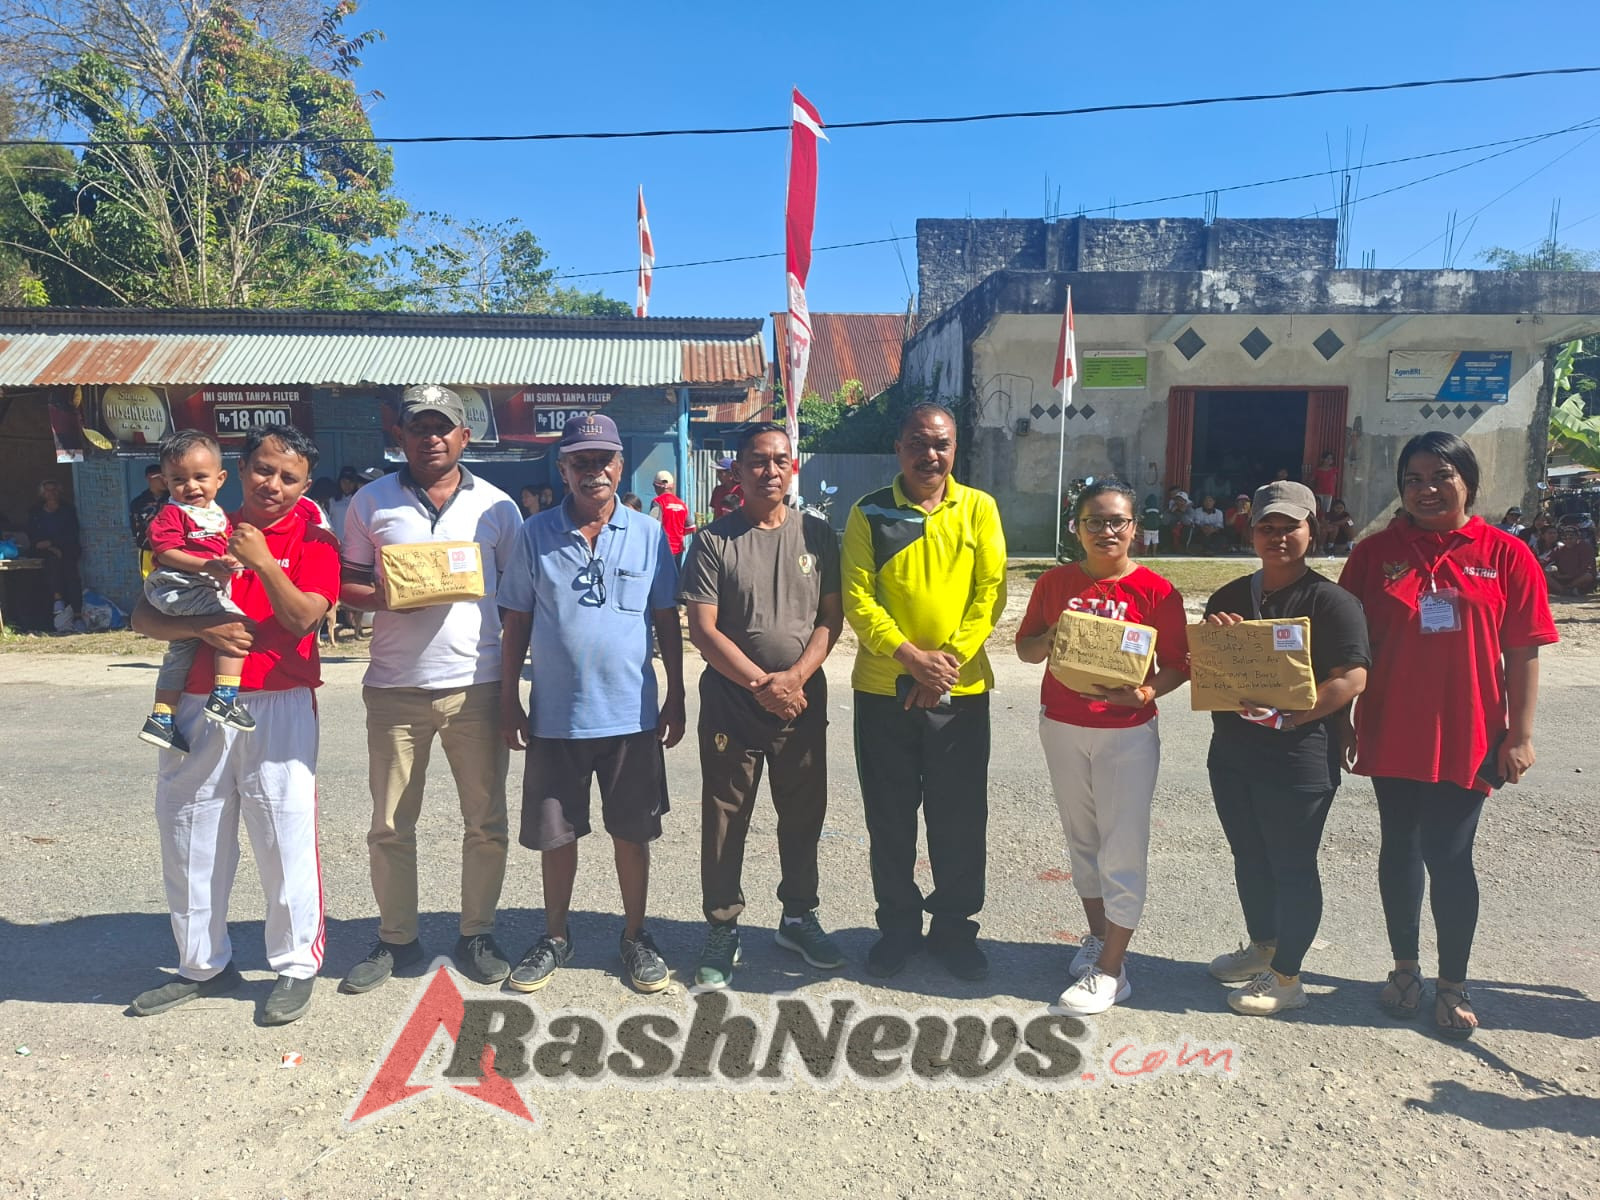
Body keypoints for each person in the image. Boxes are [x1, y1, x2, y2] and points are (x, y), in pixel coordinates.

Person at [1340, 432, 1557, 1039]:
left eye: (1441, 476)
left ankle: (1453, 982)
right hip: (1390, 727)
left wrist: (1520, 734)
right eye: (1413, 479)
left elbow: (1524, 651)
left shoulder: (1507, 554)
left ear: (1468, 480)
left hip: (1472, 733)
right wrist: (1338, 719)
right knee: (1399, 849)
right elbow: (1343, 644)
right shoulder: (1374, 553)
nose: (1426, 489)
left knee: (1451, 855)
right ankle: (1405, 969)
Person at [127, 424, 337, 1026]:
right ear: (240, 471)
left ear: (304, 484)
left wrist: (265, 562)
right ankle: (201, 965)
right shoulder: (196, 519)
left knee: (282, 831)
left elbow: (301, 620)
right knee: (189, 830)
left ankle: (296, 964)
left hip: (278, 698)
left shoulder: (314, 539)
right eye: (264, 470)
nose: (273, 484)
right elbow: (145, 614)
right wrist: (201, 630)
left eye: (289, 477)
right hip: (197, 700)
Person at [338, 384, 525, 994]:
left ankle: (477, 933)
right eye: (419, 426)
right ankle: (397, 939)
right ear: (402, 435)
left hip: (478, 681)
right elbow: (349, 586)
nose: (431, 437)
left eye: (443, 426)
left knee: (486, 821)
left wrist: (519, 682)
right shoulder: (371, 502)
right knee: (390, 824)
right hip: (395, 686)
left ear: (465, 436)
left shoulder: (498, 507)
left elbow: (517, 599)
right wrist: (389, 595)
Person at [498, 412, 686, 993]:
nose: (593, 471)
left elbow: (664, 620)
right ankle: (556, 935)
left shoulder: (650, 534)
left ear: (620, 465)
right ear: (563, 469)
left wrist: (677, 693)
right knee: (557, 836)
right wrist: (510, 698)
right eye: (580, 461)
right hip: (557, 716)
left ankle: (635, 935)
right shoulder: (535, 534)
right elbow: (518, 622)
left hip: (631, 715)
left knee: (633, 833)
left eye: (603, 459)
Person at [842, 402, 1007, 980]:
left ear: (955, 449)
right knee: (889, 818)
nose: (929, 454)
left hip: (961, 692)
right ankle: (898, 930)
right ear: (899, 446)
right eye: (918, 442)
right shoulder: (869, 513)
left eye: (940, 444)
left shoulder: (979, 510)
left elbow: (990, 595)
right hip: (883, 688)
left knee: (959, 818)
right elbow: (859, 602)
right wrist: (911, 660)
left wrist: (946, 666)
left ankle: (955, 931)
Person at [679, 423, 844, 989]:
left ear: (792, 468)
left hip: (801, 700)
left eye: (780, 461)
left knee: (802, 813)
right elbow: (703, 631)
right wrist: (762, 686)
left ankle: (797, 916)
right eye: (757, 462)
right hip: (733, 702)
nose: (769, 471)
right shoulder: (712, 541)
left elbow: (830, 619)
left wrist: (794, 679)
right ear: (737, 471)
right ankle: (723, 926)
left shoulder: (818, 536)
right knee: (727, 818)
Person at [1015, 479, 1189, 1014]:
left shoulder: (1158, 592)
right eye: (1095, 521)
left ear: (1134, 528)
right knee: (1082, 839)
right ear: (1078, 528)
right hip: (1063, 725)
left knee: (1123, 845)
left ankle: (1114, 970)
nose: (1106, 531)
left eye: (1117, 521)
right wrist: (1054, 637)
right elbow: (1025, 649)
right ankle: (1098, 939)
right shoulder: (1054, 584)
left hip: (1127, 734)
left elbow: (1179, 666)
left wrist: (1144, 691)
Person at [1201, 481, 1371, 1015]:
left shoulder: (1332, 601)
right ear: (1251, 532)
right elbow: (1205, 669)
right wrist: (1216, 639)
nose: (1277, 537)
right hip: (1231, 753)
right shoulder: (1229, 597)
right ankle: (1264, 947)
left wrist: (1296, 714)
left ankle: (1288, 979)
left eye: (1289, 527)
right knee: (1248, 857)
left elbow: (1353, 678)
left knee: (1292, 865)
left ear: (1311, 531)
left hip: (1300, 758)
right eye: (1266, 527)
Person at [136, 431, 258, 752]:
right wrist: (207, 565)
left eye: (200, 477)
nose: (190, 486)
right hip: (180, 586)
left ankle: (161, 718)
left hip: (194, 586)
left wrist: (230, 559)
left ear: (220, 479)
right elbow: (166, 552)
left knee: (181, 651)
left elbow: (225, 549)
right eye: (179, 479)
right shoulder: (172, 514)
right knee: (237, 628)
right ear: (165, 481)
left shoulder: (218, 515)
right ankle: (224, 698)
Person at [27, 479, 83, 620]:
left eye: (53, 490)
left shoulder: (67, 510)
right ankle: (58, 599)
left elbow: (72, 533)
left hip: (67, 548)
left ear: (58, 492)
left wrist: (54, 543)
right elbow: (33, 535)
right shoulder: (36, 512)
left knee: (71, 573)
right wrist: (50, 547)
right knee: (52, 564)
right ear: (42, 494)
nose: (50, 493)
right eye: (47, 490)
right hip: (45, 550)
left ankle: (77, 614)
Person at [130, 463, 169, 578]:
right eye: (161, 477)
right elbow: (135, 527)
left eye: (166, 477)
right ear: (150, 478)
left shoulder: (174, 499)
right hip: (147, 550)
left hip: (171, 550)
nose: (165, 480)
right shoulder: (139, 502)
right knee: (149, 583)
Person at [650, 470, 694, 564]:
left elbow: (653, 525)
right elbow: (691, 528)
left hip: (662, 548)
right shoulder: (682, 504)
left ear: (658, 487)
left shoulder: (657, 502)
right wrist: (677, 533)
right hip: (678, 550)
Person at [1547, 523, 1597, 595]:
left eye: (1571, 538)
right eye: (1565, 538)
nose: (1568, 540)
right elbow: (1547, 560)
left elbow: (1586, 568)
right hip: (1562, 577)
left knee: (1588, 576)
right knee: (1544, 573)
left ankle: (1565, 588)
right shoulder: (1559, 549)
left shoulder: (1585, 548)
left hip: (1578, 577)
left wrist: (1569, 575)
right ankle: (1564, 590)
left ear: (1577, 537)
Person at [328, 468, 363, 543]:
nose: (347, 485)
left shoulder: (359, 500)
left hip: (355, 543)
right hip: (336, 542)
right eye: (344, 482)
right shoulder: (332, 501)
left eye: (350, 482)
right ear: (339, 482)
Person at [1311, 451, 1339, 516]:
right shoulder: (1317, 470)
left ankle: (1324, 522)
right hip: (1319, 491)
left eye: (1331, 459)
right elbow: (1312, 480)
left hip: (1329, 492)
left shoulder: (1333, 469)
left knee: (1326, 510)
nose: (1329, 460)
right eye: (1327, 458)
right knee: (1317, 508)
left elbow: (1335, 480)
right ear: (1323, 459)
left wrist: (1332, 489)